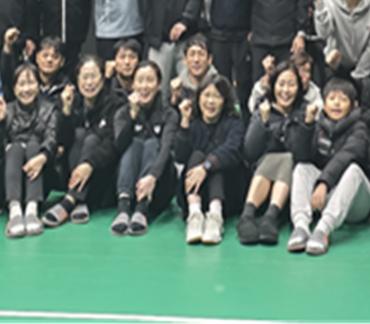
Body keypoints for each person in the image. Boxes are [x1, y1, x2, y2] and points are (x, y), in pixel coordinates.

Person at [286, 79, 370, 256]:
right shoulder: (317, 126)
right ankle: (301, 227)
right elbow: (301, 156)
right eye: (332, 98)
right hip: (329, 197)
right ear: (324, 103)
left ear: (353, 105)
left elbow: (346, 156)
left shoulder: (360, 128)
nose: (337, 103)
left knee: (354, 170)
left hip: (358, 204)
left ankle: (322, 230)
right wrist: (307, 125)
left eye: (343, 99)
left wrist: (324, 182)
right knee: (302, 167)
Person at [43, 55, 126, 227]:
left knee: (93, 138)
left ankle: (70, 200)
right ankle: (80, 202)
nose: (89, 82)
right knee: (80, 134)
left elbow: (112, 144)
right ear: (77, 79)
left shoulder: (115, 103)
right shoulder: (72, 101)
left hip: (103, 175)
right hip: (72, 172)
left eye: (94, 76)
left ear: (102, 79)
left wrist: (89, 163)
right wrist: (66, 112)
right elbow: (63, 142)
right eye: (85, 77)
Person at [0, 62, 58, 238]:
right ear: (14, 88)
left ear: (39, 85)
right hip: (7, 186)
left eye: (31, 83)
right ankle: (15, 212)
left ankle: (32, 210)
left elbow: (52, 140)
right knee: (16, 147)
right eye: (21, 84)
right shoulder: (7, 110)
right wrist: (0, 121)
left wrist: (43, 157)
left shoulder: (49, 110)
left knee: (34, 145)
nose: (26, 89)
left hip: (40, 184)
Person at [239, 61, 306, 245]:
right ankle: (248, 216)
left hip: (290, 187)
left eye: (291, 84)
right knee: (274, 158)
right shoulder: (263, 107)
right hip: (260, 181)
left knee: (287, 158)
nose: (285, 90)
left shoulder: (305, 111)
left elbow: (302, 153)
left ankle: (270, 217)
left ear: (299, 88)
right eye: (281, 84)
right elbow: (249, 152)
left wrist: (306, 125)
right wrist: (263, 122)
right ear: (273, 86)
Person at [175, 76, 246, 244]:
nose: (210, 101)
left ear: (225, 100)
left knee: (216, 162)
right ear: (198, 98)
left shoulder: (234, 123)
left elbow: (232, 150)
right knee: (197, 155)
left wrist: (206, 167)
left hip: (227, 194)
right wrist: (184, 122)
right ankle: (195, 216)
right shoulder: (193, 123)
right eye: (206, 95)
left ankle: (215, 217)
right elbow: (180, 156)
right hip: (196, 192)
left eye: (217, 96)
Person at [111, 61, 178, 236]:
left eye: (150, 80)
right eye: (140, 80)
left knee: (151, 143)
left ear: (158, 84)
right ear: (133, 85)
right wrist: (132, 117)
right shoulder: (122, 112)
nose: (144, 86)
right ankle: (123, 209)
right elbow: (119, 146)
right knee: (134, 143)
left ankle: (142, 210)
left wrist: (152, 177)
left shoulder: (169, 113)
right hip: (129, 184)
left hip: (159, 186)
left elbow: (166, 149)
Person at [167, 35, 219, 105]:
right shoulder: (177, 87)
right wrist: (175, 99)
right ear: (185, 59)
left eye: (201, 54)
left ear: (209, 59)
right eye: (192, 54)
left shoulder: (220, 86)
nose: (196, 59)